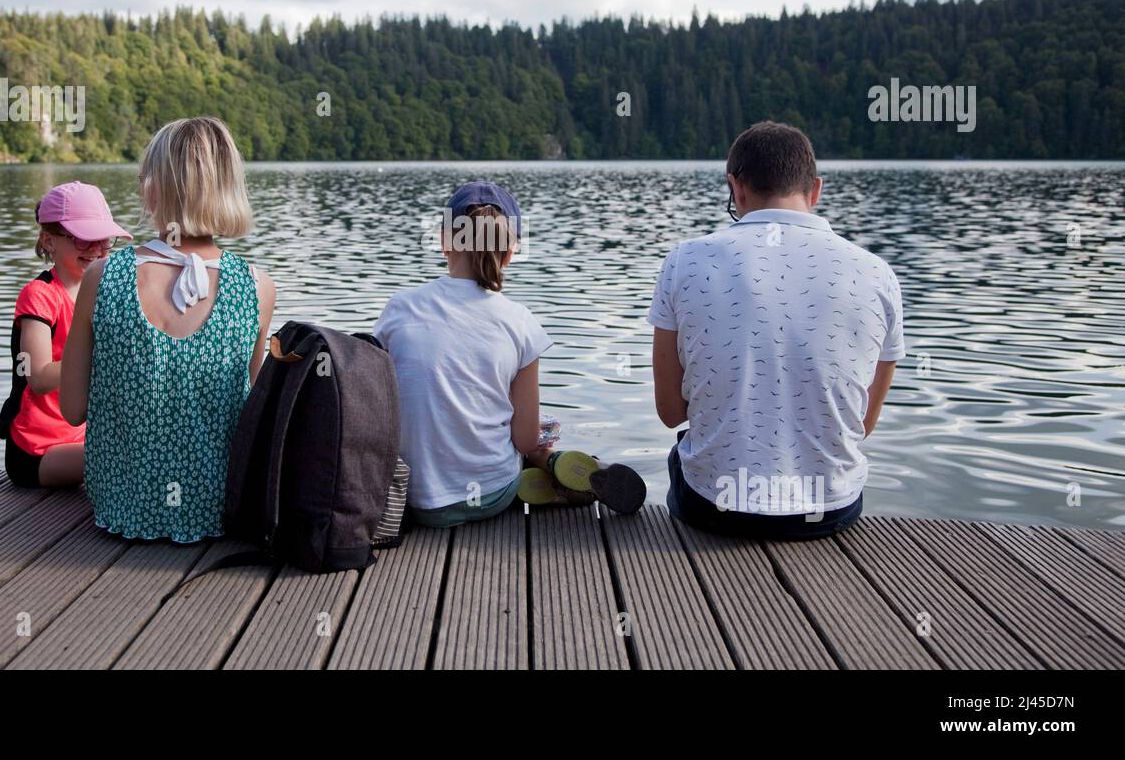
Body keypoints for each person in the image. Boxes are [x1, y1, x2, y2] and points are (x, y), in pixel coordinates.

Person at [649, 120, 904, 538]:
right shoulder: (877, 273)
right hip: (831, 508)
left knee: (683, 452)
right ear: (815, 190)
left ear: (737, 187)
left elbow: (670, 412)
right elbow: (863, 424)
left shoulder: (685, 261)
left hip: (714, 506)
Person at [374, 181, 645, 528]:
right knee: (531, 429)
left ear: (443, 241)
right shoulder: (519, 320)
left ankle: (541, 470)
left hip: (410, 497)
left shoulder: (400, 308)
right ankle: (549, 466)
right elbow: (524, 439)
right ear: (510, 252)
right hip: (489, 496)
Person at [60, 116, 276, 542]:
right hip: (218, 514)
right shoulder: (257, 286)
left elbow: (72, 409)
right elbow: (252, 412)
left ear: (153, 188)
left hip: (123, 510)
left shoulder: (103, 277)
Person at [0, 182, 131, 488]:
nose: (98, 250)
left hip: (82, 436)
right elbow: (40, 377)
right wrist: (98, 355)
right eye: (85, 240)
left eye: (105, 240)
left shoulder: (105, 295)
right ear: (49, 241)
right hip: (36, 449)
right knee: (127, 461)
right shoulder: (39, 296)